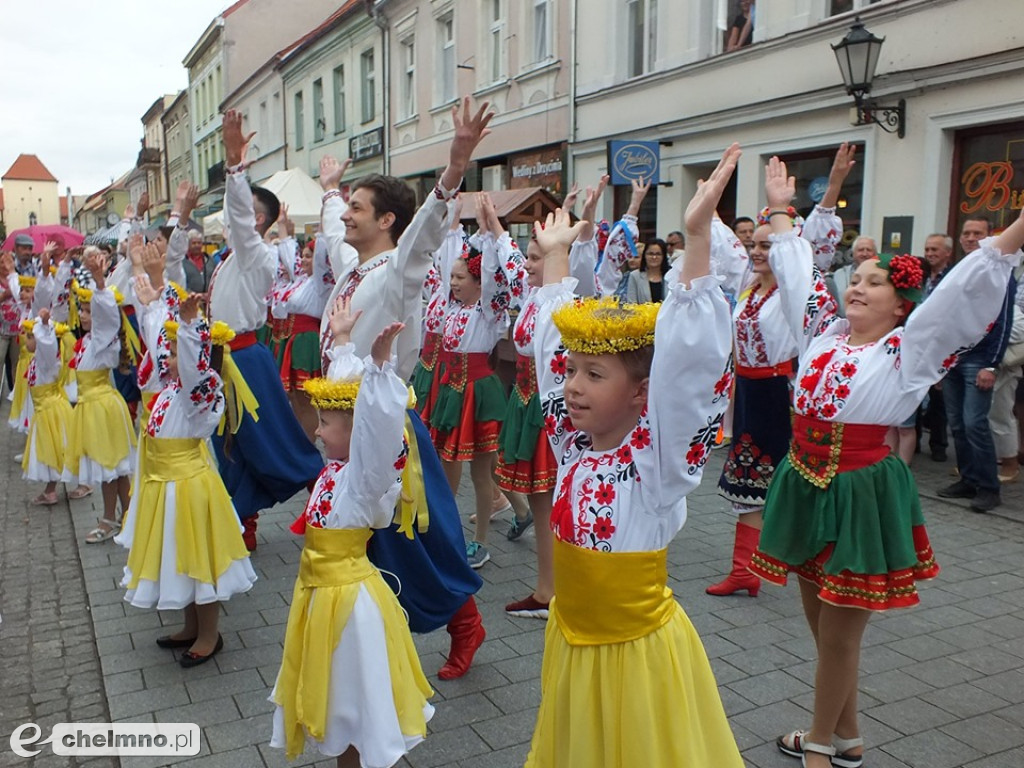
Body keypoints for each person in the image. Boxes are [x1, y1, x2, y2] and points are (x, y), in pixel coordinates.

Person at [754, 165, 1024, 768]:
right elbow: (797, 275)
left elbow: (963, 293)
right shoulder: (823, 335)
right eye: (858, 279)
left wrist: (1017, 232)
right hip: (802, 480)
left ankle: (820, 747)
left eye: (875, 284)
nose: (857, 287)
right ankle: (847, 736)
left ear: (902, 304)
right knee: (821, 626)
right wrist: (779, 209)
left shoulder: (910, 349)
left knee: (842, 633)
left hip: (860, 492)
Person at [523, 147, 743, 768]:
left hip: (635, 653)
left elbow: (689, 369)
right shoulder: (572, 444)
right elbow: (547, 350)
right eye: (574, 372)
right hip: (572, 639)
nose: (573, 387)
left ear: (641, 394)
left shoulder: (657, 459)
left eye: (595, 374)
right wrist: (558, 254)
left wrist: (696, 241)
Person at [316, 97, 492, 680]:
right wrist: (329, 190)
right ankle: (373, 639)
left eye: (357, 208)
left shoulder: (398, 273)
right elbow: (331, 233)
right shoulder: (353, 263)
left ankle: (464, 623)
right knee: (371, 540)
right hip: (345, 424)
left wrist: (454, 166)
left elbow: (422, 239)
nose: (347, 216)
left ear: (387, 220)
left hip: (385, 422)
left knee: (418, 537)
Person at [271, 302, 432, 767]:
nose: (318, 433)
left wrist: (380, 370)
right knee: (342, 702)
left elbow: (377, 432)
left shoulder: (364, 479)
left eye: (325, 424)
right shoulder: (338, 470)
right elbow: (349, 399)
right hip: (321, 598)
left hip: (350, 606)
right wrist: (342, 341)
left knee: (355, 703)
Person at [708, 143, 851, 597]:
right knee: (747, 477)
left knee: (794, 482)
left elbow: (812, 253)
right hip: (748, 393)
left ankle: (825, 560)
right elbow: (724, 248)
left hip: (780, 393)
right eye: (754, 244)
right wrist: (710, 198)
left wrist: (830, 191)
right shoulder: (748, 290)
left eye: (767, 246)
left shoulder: (794, 295)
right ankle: (744, 570)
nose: (756, 252)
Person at [116, 287, 256, 667]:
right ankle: (190, 625)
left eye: (176, 352)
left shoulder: (202, 394)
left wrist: (192, 326)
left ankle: (210, 634)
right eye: (171, 350)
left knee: (199, 561)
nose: (168, 358)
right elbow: (154, 340)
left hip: (189, 487)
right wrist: (153, 306)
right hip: (165, 488)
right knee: (177, 557)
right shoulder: (168, 392)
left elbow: (195, 371)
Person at [208, 110, 325, 549]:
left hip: (245, 360)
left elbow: (238, 216)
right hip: (225, 359)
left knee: (272, 442)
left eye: (243, 214)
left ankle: (327, 503)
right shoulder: (231, 259)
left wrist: (236, 165)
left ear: (258, 222)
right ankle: (244, 523)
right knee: (233, 445)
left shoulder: (256, 253)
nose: (231, 218)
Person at [499, 176, 607, 619]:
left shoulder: (564, 300)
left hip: (555, 408)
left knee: (553, 499)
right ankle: (550, 585)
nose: (526, 265)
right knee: (544, 500)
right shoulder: (533, 297)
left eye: (534, 257)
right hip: (529, 401)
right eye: (527, 255)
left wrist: (581, 227)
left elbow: (579, 264)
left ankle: (554, 589)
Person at [428, 192, 515, 568]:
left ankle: (480, 542)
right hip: (452, 391)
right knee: (448, 468)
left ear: (479, 283)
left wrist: (489, 232)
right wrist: (452, 221)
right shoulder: (449, 307)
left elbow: (496, 278)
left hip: (480, 393)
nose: (454, 282)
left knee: (483, 471)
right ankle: (447, 534)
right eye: (452, 277)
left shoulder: (487, 311)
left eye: (461, 277)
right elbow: (444, 257)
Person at [938, 215, 1016, 512]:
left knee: (974, 424)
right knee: (957, 424)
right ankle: (968, 479)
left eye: (977, 233)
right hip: (954, 358)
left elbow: (1004, 322)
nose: (971, 238)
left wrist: (992, 364)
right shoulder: (957, 271)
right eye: (967, 233)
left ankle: (988, 488)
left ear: (989, 238)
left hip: (980, 359)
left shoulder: (1001, 272)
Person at [66, 251, 137, 543]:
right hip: (93, 408)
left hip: (103, 408)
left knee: (111, 468)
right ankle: (125, 514)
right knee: (115, 468)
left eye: (87, 310)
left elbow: (107, 316)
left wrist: (99, 282)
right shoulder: (87, 342)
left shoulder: (103, 339)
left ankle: (111, 517)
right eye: (80, 310)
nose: (83, 315)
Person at [20, 310, 75, 505]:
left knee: (54, 449)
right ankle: (55, 488)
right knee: (56, 449)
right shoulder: (39, 360)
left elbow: (48, 346)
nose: (26, 342)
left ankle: (52, 490)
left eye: (29, 338)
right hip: (44, 411)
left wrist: (44, 326)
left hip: (51, 411)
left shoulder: (47, 360)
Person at [919, 234, 956, 461]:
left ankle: (939, 445)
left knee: (938, 399)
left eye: (935, 249)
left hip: (941, 345)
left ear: (947, 253)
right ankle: (913, 443)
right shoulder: (919, 275)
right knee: (914, 396)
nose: (930, 253)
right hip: (918, 345)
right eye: (927, 249)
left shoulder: (953, 277)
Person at [829, 236, 878, 316]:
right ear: (853, 253)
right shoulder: (840, 274)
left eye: (869, 250)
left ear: (875, 253)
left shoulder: (882, 275)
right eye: (860, 250)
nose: (865, 254)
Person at [624, 237, 669, 303]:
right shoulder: (635, 276)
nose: (654, 257)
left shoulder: (671, 276)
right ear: (644, 255)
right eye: (650, 254)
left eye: (658, 254)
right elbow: (631, 304)